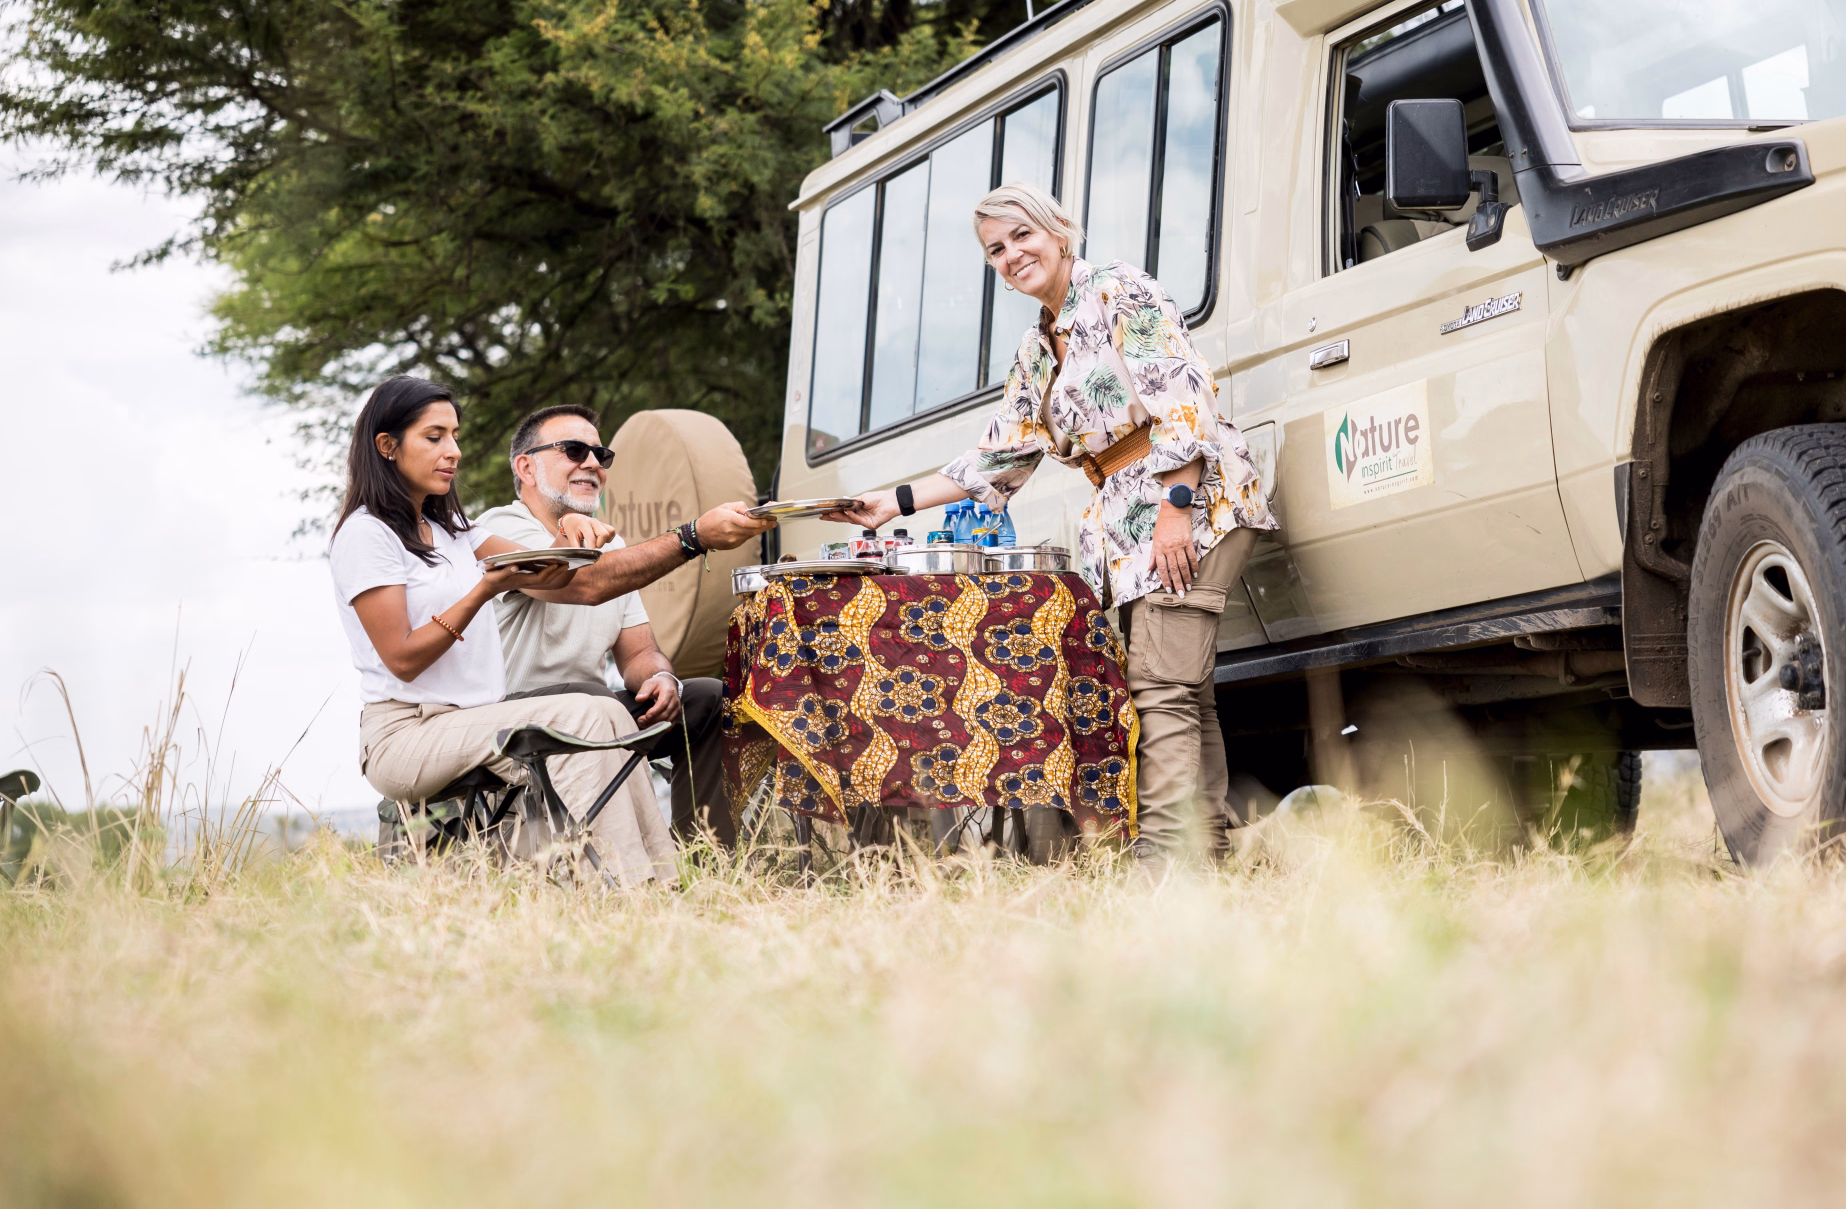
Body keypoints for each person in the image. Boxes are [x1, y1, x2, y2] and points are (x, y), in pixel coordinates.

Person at [829, 182, 1277, 869]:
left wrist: (1175, 511)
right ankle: (1204, 855)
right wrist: (894, 501)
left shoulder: (1121, 291)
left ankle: (1164, 863)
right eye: (996, 250)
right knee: (1184, 689)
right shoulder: (1039, 346)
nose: (1012, 256)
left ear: (1061, 231)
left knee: (1159, 688)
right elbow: (999, 454)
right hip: (1128, 516)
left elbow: (1183, 400)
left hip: (1192, 502)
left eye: (1022, 237)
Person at [330, 376, 772, 881]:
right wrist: (692, 537)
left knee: (668, 702)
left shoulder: (460, 534)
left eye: (455, 436)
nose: (453, 451)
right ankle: (625, 888)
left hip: (478, 716)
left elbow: (556, 572)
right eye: (435, 438)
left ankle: (683, 873)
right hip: (409, 730)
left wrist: (575, 539)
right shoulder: (367, 534)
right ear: (387, 446)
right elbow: (403, 659)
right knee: (590, 711)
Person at [476, 403, 736, 847]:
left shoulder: (611, 545)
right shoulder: (497, 527)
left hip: (598, 712)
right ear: (526, 467)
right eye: (575, 450)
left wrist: (660, 677)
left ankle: (705, 853)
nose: (593, 463)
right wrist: (693, 537)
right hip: (515, 719)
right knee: (594, 699)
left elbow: (638, 651)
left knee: (707, 698)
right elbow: (584, 585)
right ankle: (642, 864)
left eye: (602, 455)